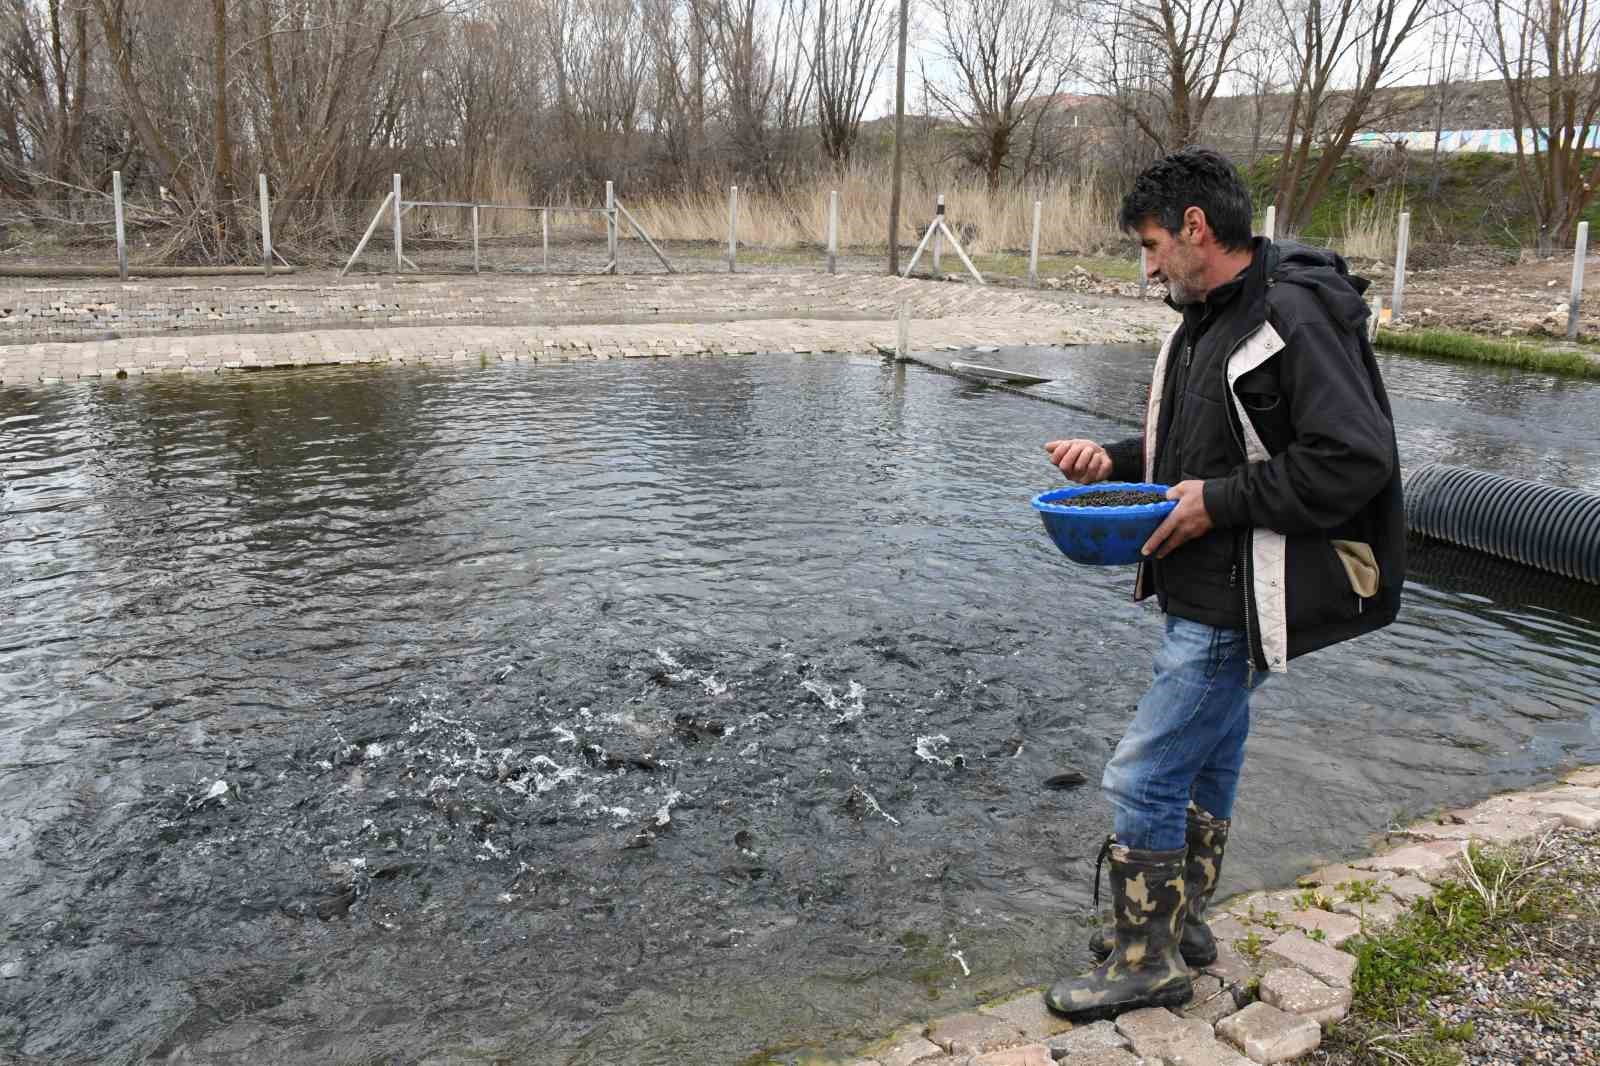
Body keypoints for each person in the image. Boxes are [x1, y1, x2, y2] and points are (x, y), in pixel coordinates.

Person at [1040, 147, 1406, 1021]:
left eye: (1153, 245)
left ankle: (1144, 960)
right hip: (1204, 588)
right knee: (1208, 763)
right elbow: (1202, 456)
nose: (1149, 265)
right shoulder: (1206, 317)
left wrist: (1217, 505)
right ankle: (1184, 920)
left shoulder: (1295, 318)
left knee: (1140, 776)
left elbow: (1354, 461)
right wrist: (1115, 463)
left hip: (1239, 597)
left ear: (1197, 229)